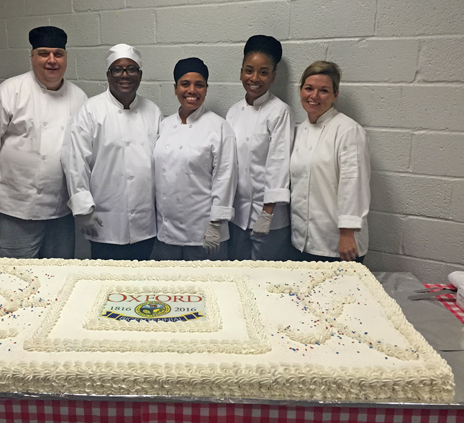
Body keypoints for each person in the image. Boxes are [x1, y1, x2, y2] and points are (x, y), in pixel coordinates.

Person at [0, 26, 87, 259]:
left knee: (60, 273)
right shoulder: (10, 91)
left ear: (65, 58)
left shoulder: (79, 97)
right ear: (32, 57)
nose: (51, 60)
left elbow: (85, 151)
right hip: (18, 205)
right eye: (43, 53)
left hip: (62, 207)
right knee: (16, 274)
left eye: (58, 54)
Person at [62, 44, 162, 260]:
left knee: (142, 285)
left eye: (131, 69)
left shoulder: (153, 111)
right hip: (104, 222)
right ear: (108, 75)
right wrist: (83, 208)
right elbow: (75, 162)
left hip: (145, 224)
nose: (124, 75)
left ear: (140, 75)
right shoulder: (90, 111)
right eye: (117, 69)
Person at [151, 57, 237, 261]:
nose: (192, 90)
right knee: (170, 291)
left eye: (199, 85)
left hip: (204, 233)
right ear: (175, 88)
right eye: (185, 84)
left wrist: (216, 224)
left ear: (206, 89)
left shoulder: (219, 127)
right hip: (166, 234)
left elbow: (225, 178)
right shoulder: (164, 125)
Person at [290, 60, 370, 262]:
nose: (314, 96)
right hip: (301, 242)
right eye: (309, 88)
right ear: (300, 91)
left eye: (323, 90)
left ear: (335, 94)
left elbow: (353, 185)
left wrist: (347, 233)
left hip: (338, 246)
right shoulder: (299, 131)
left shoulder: (348, 130)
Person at [226, 35, 294, 261]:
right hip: (237, 216)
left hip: (269, 219)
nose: (254, 78)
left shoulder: (279, 111)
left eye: (263, 72)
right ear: (241, 72)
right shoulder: (233, 112)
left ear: (273, 76)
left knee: (265, 282)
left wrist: (267, 213)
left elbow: (279, 162)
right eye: (249, 70)